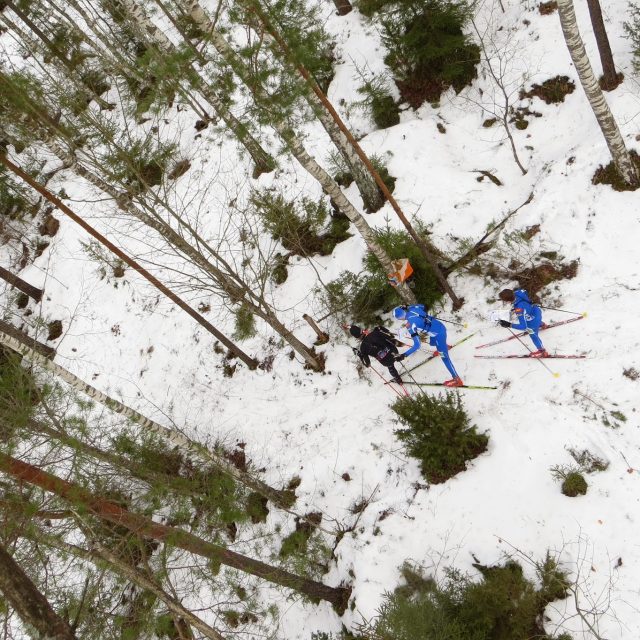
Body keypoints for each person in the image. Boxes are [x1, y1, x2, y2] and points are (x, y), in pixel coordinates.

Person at [393, 305, 463, 387]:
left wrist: (404, 355)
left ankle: (457, 380)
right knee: (431, 342)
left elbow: (417, 345)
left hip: (438, 335)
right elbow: (423, 306)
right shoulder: (413, 308)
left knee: (445, 358)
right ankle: (444, 346)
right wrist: (408, 306)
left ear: (400, 318)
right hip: (440, 326)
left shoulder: (410, 325)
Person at [497, 288, 548, 357]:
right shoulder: (518, 292)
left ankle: (542, 351)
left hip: (533, 320)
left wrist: (509, 324)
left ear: (508, 301)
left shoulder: (519, 309)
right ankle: (542, 324)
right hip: (536, 310)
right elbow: (525, 291)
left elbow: (523, 327)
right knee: (533, 319)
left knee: (533, 335)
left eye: (505, 301)